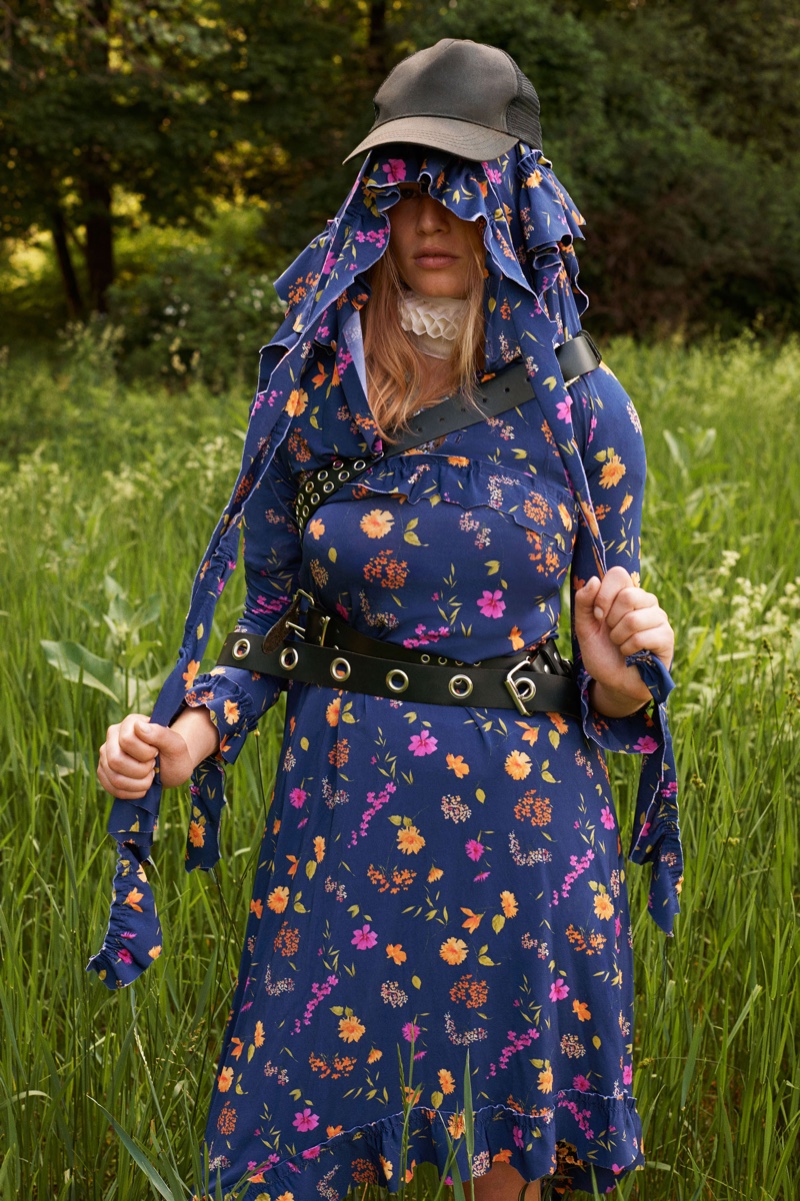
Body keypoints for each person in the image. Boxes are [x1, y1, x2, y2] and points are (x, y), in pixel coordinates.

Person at [95, 39, 681, 1201]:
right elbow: (272, 625)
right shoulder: (307, 394)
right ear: (372, 203)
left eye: (456, 186)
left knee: (505, 1159)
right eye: (402, 184)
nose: (428, 216)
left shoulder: (578, 406)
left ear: (507, 203)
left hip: (527, 835)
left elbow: (611, 673)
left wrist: (620, 671)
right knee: (293, 1139)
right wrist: (185, 737)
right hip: (339, 829)